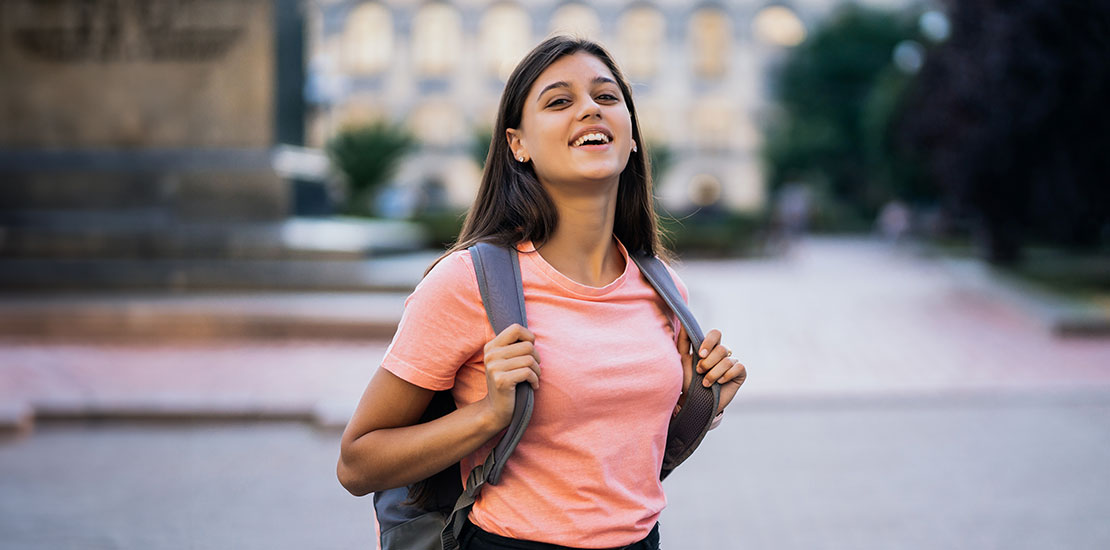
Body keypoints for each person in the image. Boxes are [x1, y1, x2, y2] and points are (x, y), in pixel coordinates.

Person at [337, 36, 747, 550]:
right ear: (518, 144)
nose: (589, 110)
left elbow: (610, 461)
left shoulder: (663, 286)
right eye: (559, 101)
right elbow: (357, 463)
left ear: (632, 135)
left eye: (606, 97)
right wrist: (487, 415)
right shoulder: (469, 282)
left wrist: (696, 403)